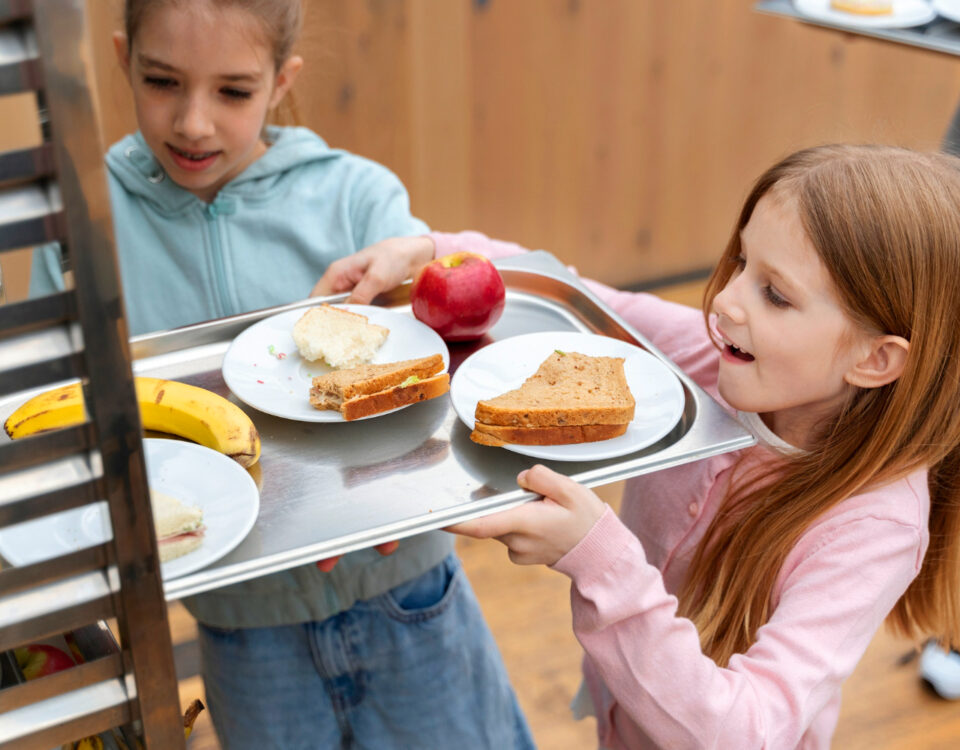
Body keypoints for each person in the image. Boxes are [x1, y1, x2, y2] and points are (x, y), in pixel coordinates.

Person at [30, 1, 534, 748]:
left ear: (280, 80)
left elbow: (434, 385)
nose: (193, 122)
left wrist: (406, 481)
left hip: (409, 597)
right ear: (121, 58)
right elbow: (57, 427)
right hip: (242, 631)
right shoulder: (80, 235)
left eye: (233, 91)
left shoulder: (359, 197)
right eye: (162, 80)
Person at [347, 144, 960, 749]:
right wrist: (436, 251)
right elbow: (580, 301)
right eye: (742, 261)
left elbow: (745, 732)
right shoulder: (706, 356)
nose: (724, 300)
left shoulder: (873, 529)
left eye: (775, 294)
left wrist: (598, 559)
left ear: (875, 358)